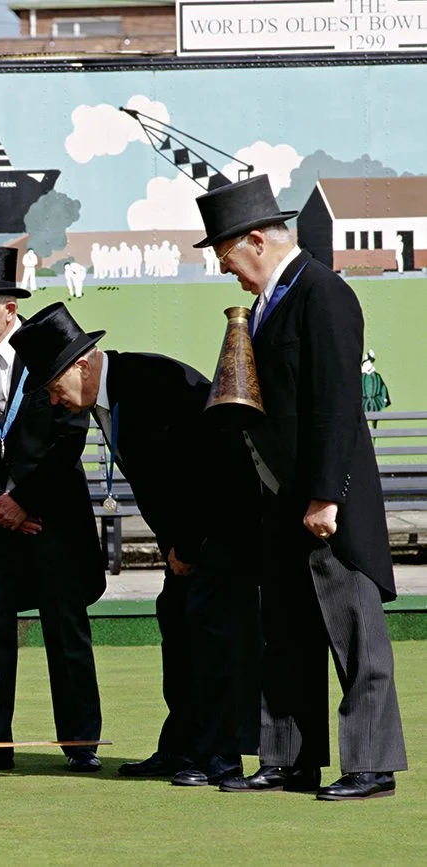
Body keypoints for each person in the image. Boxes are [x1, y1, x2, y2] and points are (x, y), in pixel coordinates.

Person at [195, 174, 406, 800]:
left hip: (327, 506)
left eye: (227, 257)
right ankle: (288, 758)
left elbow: (338, 405)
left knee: (357, 636)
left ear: (256, 240)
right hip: (280, 505)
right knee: (285, 636)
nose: (226, 271)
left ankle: (370, 767)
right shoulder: (267, 303)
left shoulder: (324, 293)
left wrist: (325, 495)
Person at [11, 302, 262, 785]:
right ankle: (182, 747)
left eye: (53, 387)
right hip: (186, 540)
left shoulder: (153, 381)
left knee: (212, 640)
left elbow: (207, 469)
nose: (54, 400)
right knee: (177, 628)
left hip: (222, 530)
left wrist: (188, 545)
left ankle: (218, 758)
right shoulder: (109, 393)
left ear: (81, 365)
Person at [0, 245, 104, 773]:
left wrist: (25, 500)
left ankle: (81, 746)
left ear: (9, 308)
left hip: (54, 517)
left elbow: (69, 438)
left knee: (65, 630)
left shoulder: (50, 349)